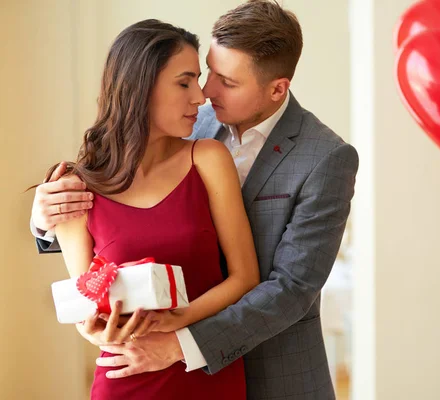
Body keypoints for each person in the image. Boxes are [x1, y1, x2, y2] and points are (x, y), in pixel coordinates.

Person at [32, 1, 359, 399]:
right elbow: (115, 233)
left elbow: (291, 288)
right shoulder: (190, 121)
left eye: (228, 82)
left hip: (275, 373)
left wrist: (179, 343)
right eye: (207, 73)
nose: (206, 93)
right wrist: (46, 219)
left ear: (277, 88)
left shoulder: (325, 157)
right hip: (142, 367)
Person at [41, 18, 260, 399]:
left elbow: (244, 277)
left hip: (205, 373)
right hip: (126, 373)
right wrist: (90, 327)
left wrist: (179, 323)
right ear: (140, 86)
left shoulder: (208, 158)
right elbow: (88, 300)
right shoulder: (75, 186)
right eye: (184, 82)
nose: (200, 97)